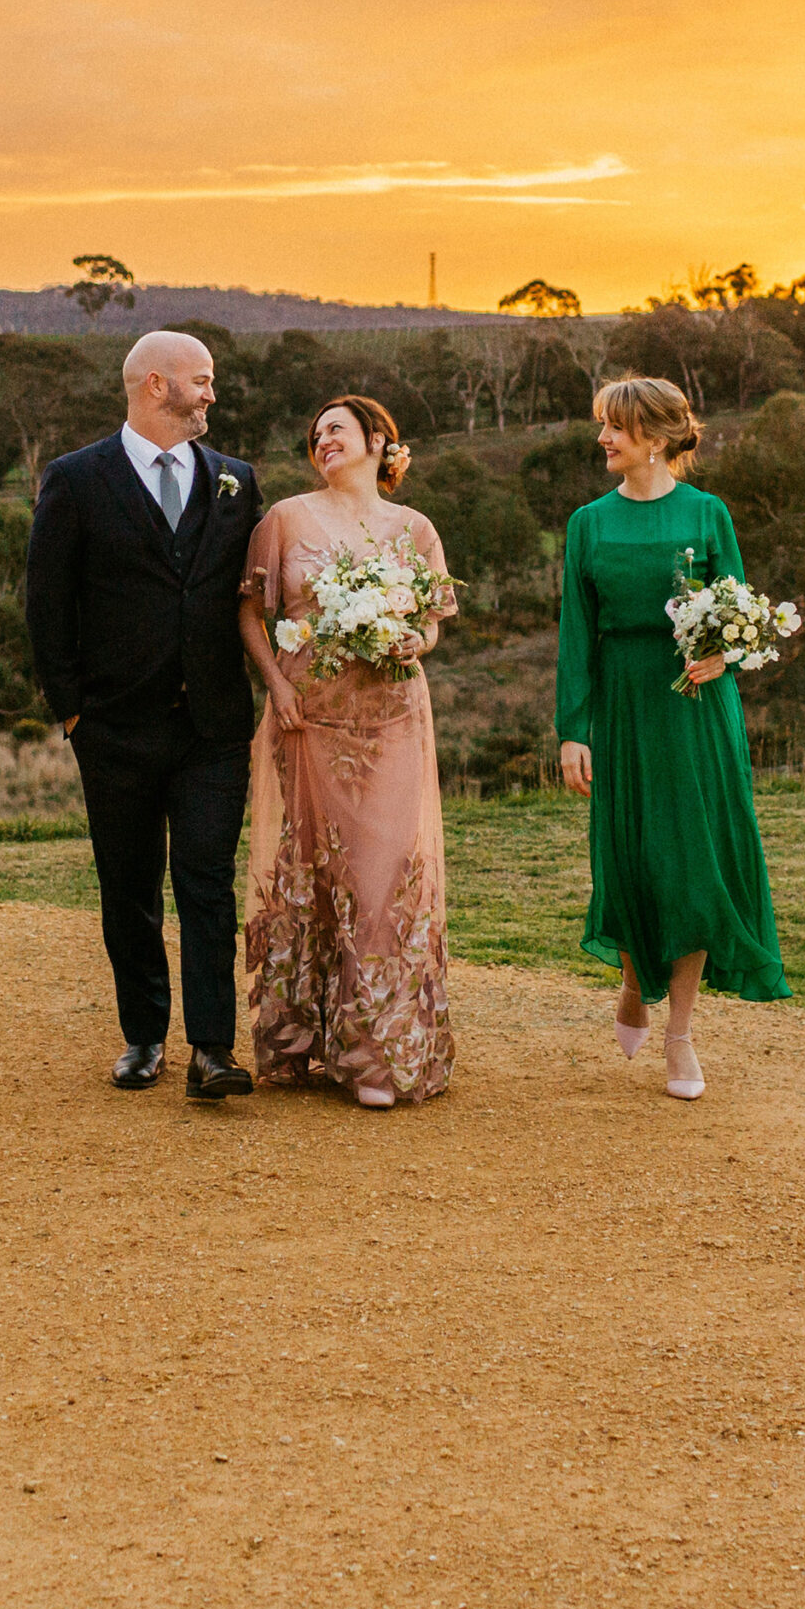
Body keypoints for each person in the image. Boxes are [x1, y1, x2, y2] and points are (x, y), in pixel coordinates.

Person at [24, 331, 264, 1100]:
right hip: (113, 729)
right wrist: (72, 715)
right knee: (127, 884)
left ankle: (212, 1049)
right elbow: (46, 604)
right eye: (202, 380)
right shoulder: (75, 479)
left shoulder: (235, 480)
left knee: (205, 880)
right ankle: (142, 1036)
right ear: (156, 385)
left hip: (213, 728)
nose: (211, 394)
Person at [556, 374, 789, 1101]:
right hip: (622, 707)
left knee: (690, 863)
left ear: (653, 439)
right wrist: (572, 732)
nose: (602, 439)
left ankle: (680, 1035)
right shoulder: (586, 524)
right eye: (603, 426)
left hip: (693, 707)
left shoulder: (708, 514)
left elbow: (741, 615)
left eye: (614, 429)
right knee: (632, 858)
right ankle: (632, 984)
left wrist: (724, 654)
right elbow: (575, 636)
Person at [238, 396, 456, 1108]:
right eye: (314, 434)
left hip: (392, 714)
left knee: (380, 878)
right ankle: (306, 1039)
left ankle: (375, 1054)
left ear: (377, 440)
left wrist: (409, 640)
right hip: (310, 719)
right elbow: (249, 608)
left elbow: (430, 623)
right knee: (316, 873)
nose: (321, 440)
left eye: (336, 428)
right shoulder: (285, 519)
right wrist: (274, 685)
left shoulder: (415, 528)